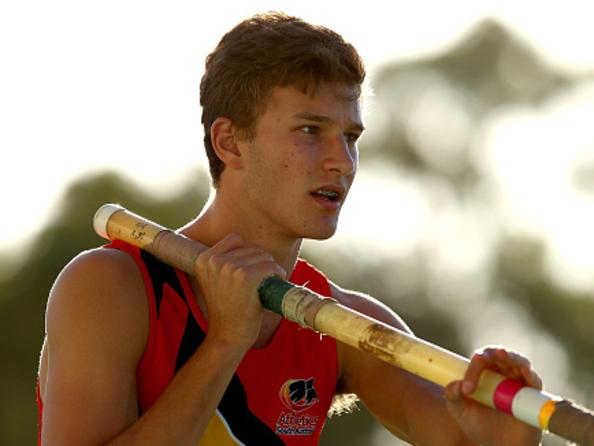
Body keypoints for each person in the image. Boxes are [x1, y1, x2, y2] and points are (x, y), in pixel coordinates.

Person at [37, 11, 543, 446]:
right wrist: (225, 342)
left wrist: (506, 440)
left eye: (350, 136)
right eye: (310, 131)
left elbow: (461, 435)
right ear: (230, 143)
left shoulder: (344, 323)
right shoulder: (109, 286)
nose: (341, 162)